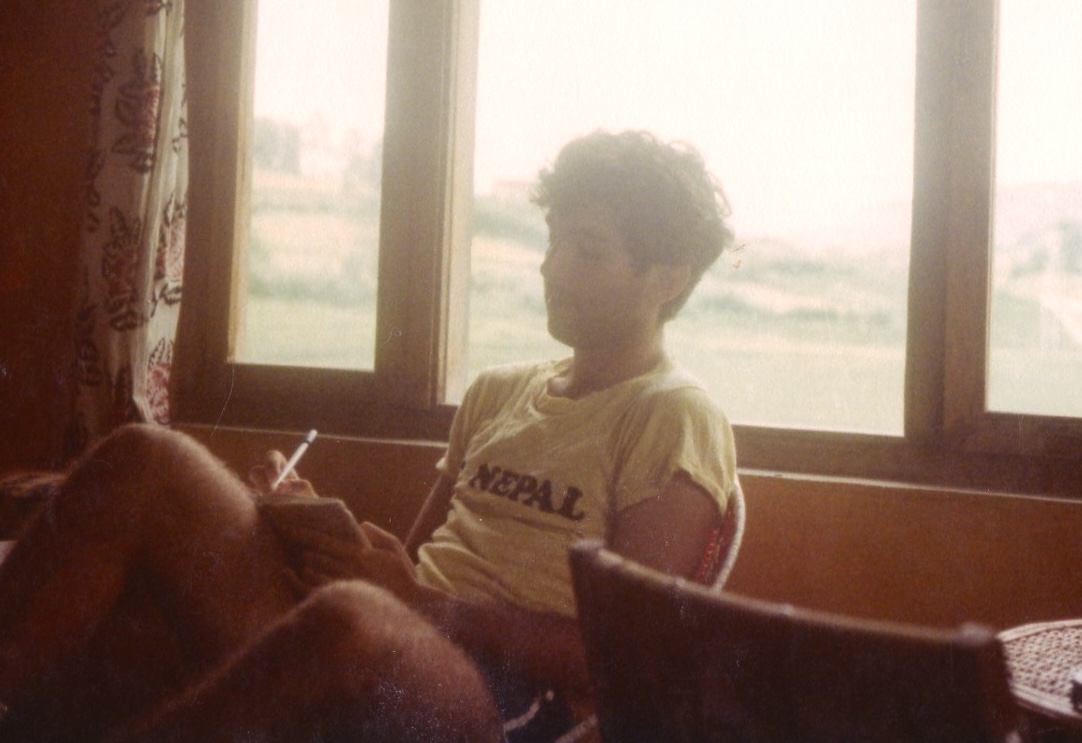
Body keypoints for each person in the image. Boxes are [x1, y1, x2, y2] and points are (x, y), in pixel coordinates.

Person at [0, 129, 738, 743]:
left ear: (666, 280)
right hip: (402, 637)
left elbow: (630, 660)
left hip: (508, 702)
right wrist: (308, 521)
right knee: (149, 458)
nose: (551, 268)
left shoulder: (672, 414)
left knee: (355, 619)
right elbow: (409, 565)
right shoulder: (498, 391)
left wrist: (427, 608)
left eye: (587, 250)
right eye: (553, 241)